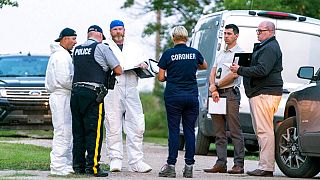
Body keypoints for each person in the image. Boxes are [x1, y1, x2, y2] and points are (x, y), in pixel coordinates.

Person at [230, 21, 283, 177]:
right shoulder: (266, 47)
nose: (258, 33)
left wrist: (239, 69)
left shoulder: (270, 48)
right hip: (260, 93)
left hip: (265, 94)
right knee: (262, 130)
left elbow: (262, 69)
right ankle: (264, 165)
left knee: (264, 131)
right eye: (257, 31)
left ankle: (266, 167)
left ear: (271, 32)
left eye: (261, 31)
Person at [71, 25, 122, 177]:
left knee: (78, 131)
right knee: (94, 131)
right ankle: (92, 167)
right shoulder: (102, 48)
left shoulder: (77, 49)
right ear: (99, 35)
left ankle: (78, 167)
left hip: (76, 93)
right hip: (93, 94)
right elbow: (118, 70)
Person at [157, 26, 208, 178]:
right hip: (191, 96)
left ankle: (171, 166)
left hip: (173, 96)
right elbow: (204, 65)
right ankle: (189, 167)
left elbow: (160, 77)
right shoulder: (194, 53)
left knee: (174, 131)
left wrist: (169, 77)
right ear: (186, 38)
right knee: (189, 131)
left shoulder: (168, 54)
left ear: (173, 37)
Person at [104, 19, 152, 173]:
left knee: (137, 124)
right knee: (113, 124)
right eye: (115, 29)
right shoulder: (105, 47)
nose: (118, 32)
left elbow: (144, 62)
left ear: (124, 30)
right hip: (113, 88)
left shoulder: (134, 47)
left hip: (131, 87)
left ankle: (136, 161)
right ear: (110, 32)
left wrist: (143, 65)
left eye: (120, 29)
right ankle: (115, 158)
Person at [203, 24, 245, 174]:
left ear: (236, 36)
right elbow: (212, 71)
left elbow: (234, 74)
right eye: (225, 33)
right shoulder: (220, 53)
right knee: (219, 131)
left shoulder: (239, 53)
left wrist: (216, 86)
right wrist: (213, 87)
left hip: (230, 94)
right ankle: (221, 163)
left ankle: (238, 164)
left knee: (234, 131)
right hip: (217, 94)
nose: (226, 36)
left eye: (229, 34)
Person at [45, 27, 77, 176]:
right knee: (62, 131)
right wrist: (77, 85)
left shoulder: (64, 55)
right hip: (61, 96)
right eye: (73, 38)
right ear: (65, 39)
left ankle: (66, 164)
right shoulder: (60, 57)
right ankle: (57, 166)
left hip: (64, 95)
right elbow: (65, 80)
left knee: (67, 131)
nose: (75, 42)